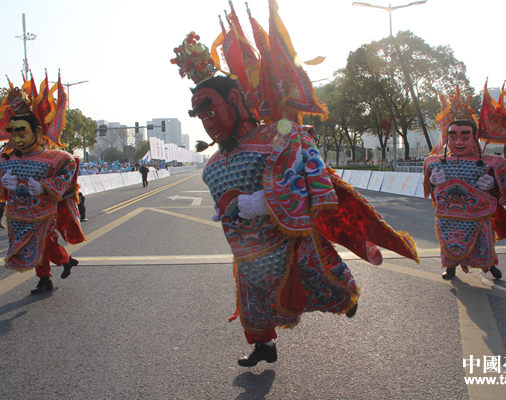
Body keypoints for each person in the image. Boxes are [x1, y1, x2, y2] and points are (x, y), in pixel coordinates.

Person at [174, 10, 419, 367]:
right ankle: (264, 346)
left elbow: (309, 175)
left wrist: (264, 201)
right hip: (247, 253)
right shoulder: (212, 165)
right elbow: (225, 199)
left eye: (211, 111)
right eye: (201, 116)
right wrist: (222, 209)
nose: (208, 123)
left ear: (236, 101)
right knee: (251, 303)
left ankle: (346, 297)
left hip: (287, 242)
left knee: (322, 278)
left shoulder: (277, 136)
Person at [0, 77, 85, 294]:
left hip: (44, 211)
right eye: (14, 134)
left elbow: (69, 174)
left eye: (22, 133)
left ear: (37, 133)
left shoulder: (56, 158)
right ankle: (58, 267)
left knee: (42, 243)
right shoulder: (5, 159)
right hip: (17, 213)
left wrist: (44, 186)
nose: (17, 139)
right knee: (36, 245)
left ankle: (48, 275)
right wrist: (3, 182)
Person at [424, 89, 506, 280]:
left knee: (484, 241)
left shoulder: (492, 163)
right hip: (448, 214)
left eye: (465, 137)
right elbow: (429, 188)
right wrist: (432, 182)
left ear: (474, 137)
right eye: (453, 137)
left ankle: (489, 265)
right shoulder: (434, 162)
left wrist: (493, 186)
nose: (458, 142)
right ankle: (450, 267)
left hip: (479, 213)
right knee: (448, 240)